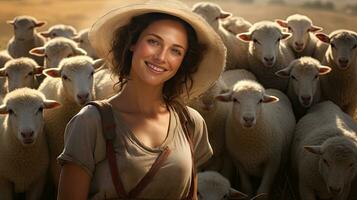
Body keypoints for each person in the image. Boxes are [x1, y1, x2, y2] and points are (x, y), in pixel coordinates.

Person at [57, 0, 226, 199]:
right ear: (132, 43)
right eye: (154, 41)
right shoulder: (91, 122)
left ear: (183, 61)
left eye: (176, 50)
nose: (161, 57)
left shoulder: (190, 122)